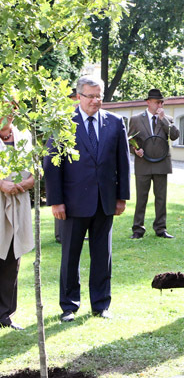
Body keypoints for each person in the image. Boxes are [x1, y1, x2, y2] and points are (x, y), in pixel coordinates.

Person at [44, 75, 130, 322]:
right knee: (70, 256)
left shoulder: (115, 123)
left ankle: (101, 305)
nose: (96, 100)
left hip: (105, 202)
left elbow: (122, 162)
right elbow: (51, 165)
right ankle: (69, 307)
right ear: (78, 96)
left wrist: (121, 197)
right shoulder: (64, 124)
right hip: (72, 203)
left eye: (99, 95)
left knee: (103, 255)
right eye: (90, 96)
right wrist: (56, 201)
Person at [128, 88, 179, 239]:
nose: (159, 105)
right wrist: (135, 150)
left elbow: (175, 135)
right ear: (148, 102)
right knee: (141, 198)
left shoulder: (167, 118)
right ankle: (138, 229)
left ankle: (161, 228)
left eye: (161, 102)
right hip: (143, 163)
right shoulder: (136, 119)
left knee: (161, 198)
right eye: (157, 102)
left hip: (161, 163)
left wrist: (163, 120)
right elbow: (130, 140)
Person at [0, 113, 34, 330]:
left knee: (13, 256)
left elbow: (34, 166)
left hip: (18, 201)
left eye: (12, 105)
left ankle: (5, 315)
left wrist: (30, 180)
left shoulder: (24, 135)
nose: (8, 112)